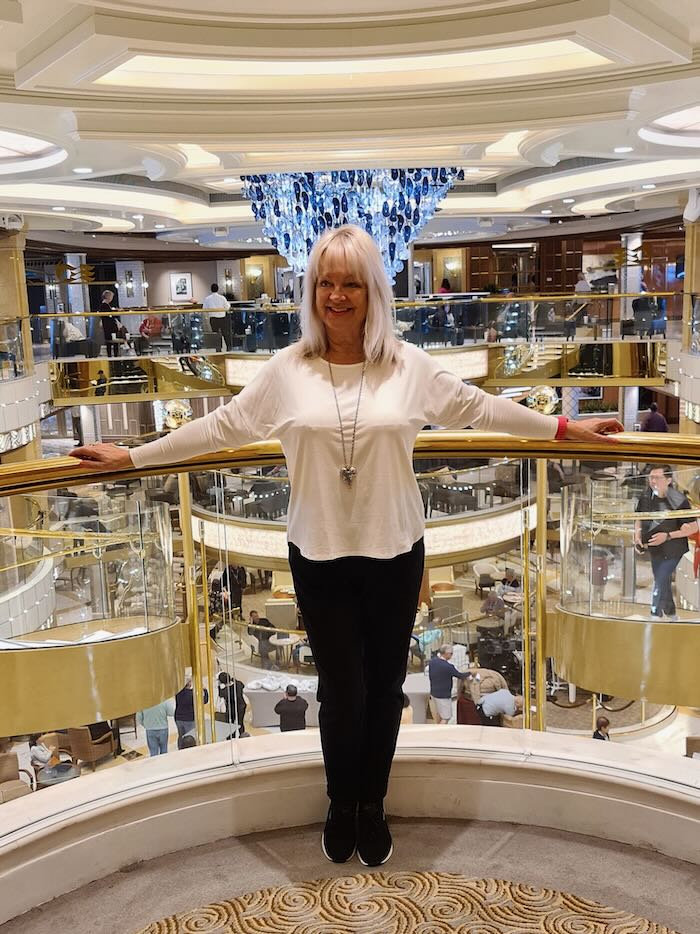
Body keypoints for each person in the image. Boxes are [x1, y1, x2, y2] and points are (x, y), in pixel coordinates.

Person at [70, 224, 621, 868]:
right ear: (310, 293)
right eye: (325, 282)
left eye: (350, 282)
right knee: (341, 689)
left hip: (396, 549)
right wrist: (133, 454)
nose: (337, 295)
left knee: (386, 688)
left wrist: (562, 426)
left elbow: (480, 409)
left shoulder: (408, 366)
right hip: (317, 551)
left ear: (372, 292)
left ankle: (372, 804)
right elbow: (221, 427)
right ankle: (340, 801)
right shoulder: (287, 370)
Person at [634, 466, 698, 619]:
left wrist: (668, 535)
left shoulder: (678, 500)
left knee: (661, 578)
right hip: (655, 548)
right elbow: (638, 517)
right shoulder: (645, 496)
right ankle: (671, 613)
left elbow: (692, 527)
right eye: (651, 477)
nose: (653, 481)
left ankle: (654, 614)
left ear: (668, 480)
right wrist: (637, 536)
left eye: (658, 478)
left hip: (673, 549)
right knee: (662, 581)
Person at [428, 645, 471, 725]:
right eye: (451, 653)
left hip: (433, 693)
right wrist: (470, 673)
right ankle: (439, 732)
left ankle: (436, 729)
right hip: (443, 695)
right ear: (446, 653)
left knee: (438, 715)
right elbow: (460, 675)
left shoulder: (432, 662)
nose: (452, 655)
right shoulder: (448, 667)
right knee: (446, 717)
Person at [174, 678, 209, 749]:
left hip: (179, 718)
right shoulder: (192, 694)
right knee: (190, 738)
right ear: (189, 683)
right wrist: (204, 690)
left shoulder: (178, 693)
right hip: (189, 719)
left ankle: (180, 749)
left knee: (181, 736)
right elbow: (204, 700)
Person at [218, 672, 248, 738]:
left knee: (230, 724)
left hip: (232, 708)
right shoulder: (238, 684)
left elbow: (221, 694)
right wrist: (233, 680)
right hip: (241, 706)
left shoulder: (226, 690)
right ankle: (242, 736)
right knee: (240, 723)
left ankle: (231, 737)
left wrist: (219, 686)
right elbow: (242, 685)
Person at [203, 283, 231, 350]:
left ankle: (218, 348)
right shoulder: (222, 298)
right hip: (222, 317)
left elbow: (204, 308)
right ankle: (228, 347)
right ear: (218, 289)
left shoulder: (207, 299)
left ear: (211, 289)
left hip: (213, 318)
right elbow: (227, 307)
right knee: (225, 333)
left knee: (216, 334)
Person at [99, 290, 122, 358]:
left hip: (109, 327)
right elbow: (108, 314)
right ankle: (114, 356)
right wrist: (116, 311)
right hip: (109, 327)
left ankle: (114, 355)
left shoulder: (106, 305)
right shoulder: (104, 305)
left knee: (112, 342)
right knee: (111, 342)